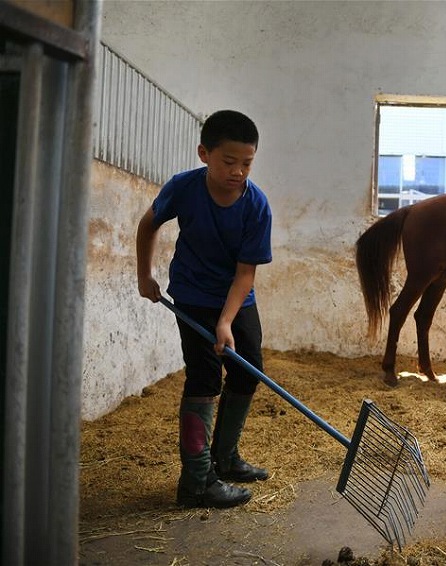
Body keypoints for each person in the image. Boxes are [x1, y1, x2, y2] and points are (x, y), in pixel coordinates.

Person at [136, 109, 273, 508]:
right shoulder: (184, 188)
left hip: (236, 297)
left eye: (246, 163)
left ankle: (225, 458)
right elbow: (148, 225)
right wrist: (144, 275)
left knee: (250, 372)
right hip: (193, 296)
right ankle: (196, 480)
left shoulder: (256, 206)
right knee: (204, 379)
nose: (238, 171)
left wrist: (227, 321)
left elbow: (246, 273)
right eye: (229, 161)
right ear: (204, 154)